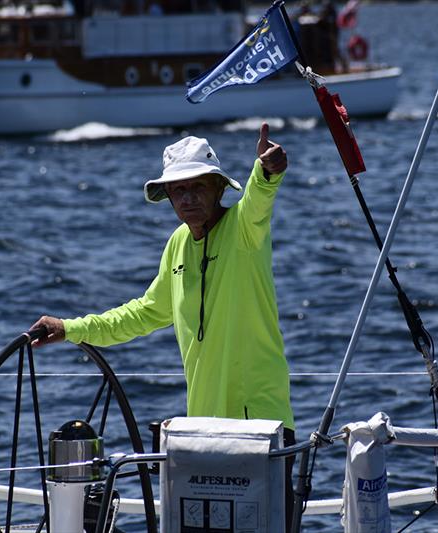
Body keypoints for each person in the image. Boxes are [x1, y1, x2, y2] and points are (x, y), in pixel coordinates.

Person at [31, 123, 296, 530]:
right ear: (168, 197)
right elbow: (140, 314)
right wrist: (69, 328)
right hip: (202, 431)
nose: (188, 198)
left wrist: (267, 172)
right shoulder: (176, 245)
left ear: (219, 188)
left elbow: (259, 199)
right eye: (178, 190)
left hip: (260, 427)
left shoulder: (245, 227)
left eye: (197, 187)